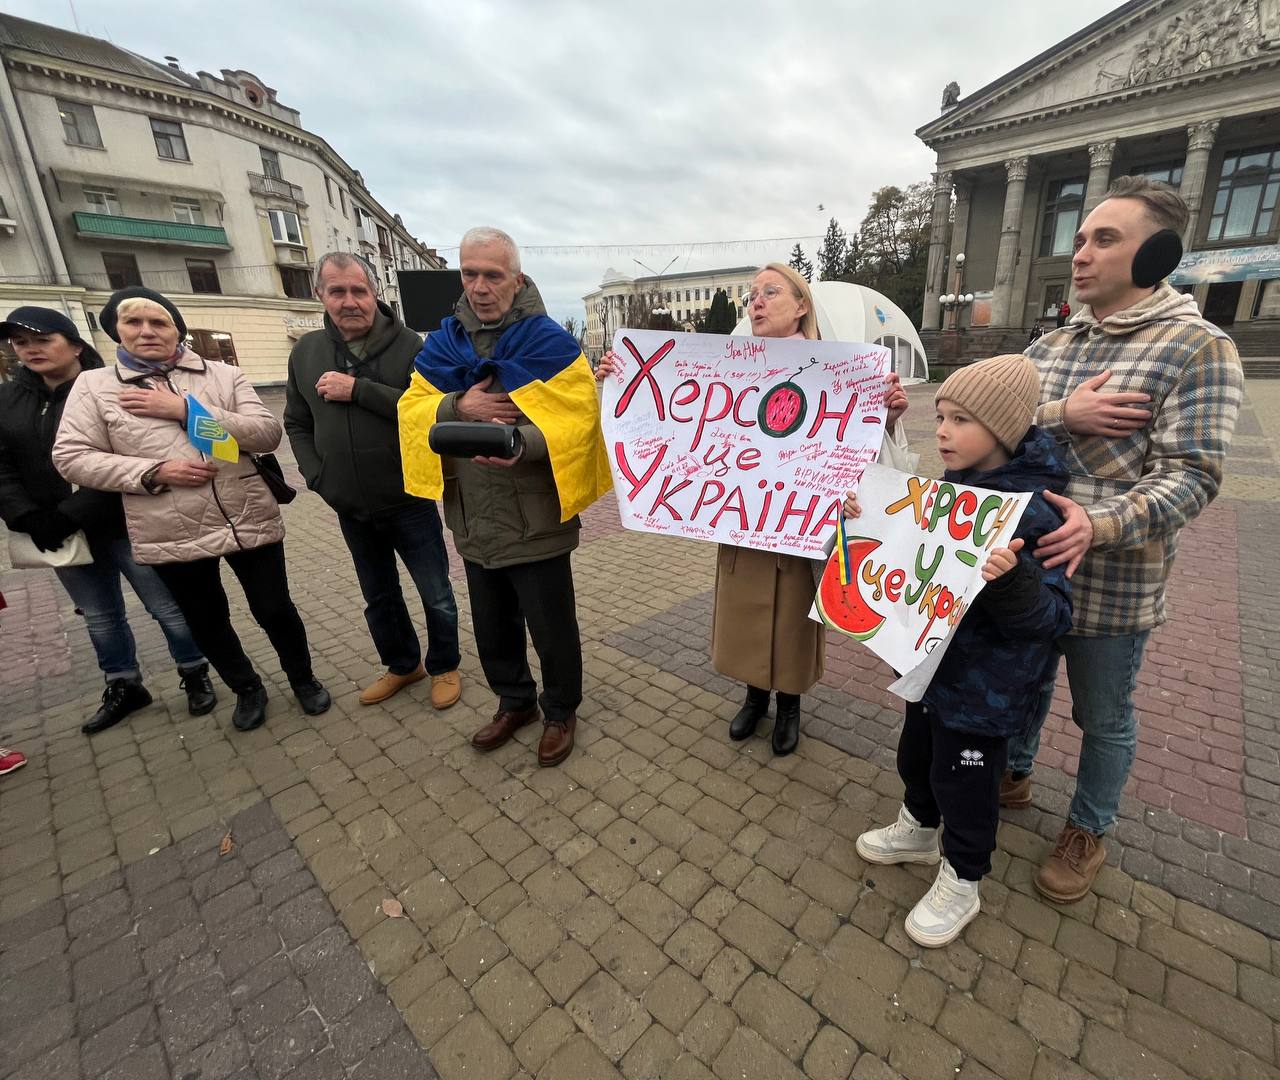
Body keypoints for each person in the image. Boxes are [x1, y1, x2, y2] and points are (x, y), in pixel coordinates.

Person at [1004, 176, 1243, 902]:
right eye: (1079, 238)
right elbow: (1002, 427)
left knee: (1102, 714)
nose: (1080, 254)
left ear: (1157, 254)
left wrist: (1098, 524)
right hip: (1026, 569)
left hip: (1114, 584)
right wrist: (1063, 412)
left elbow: (1193, 476)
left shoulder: (1198, 347)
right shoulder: (1051, 343)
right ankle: (1014, 770)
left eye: (1103, 239)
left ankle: (1088, 828)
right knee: (1024, 687)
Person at [596, 263, 911, 755]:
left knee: (791, 618)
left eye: (770, 291)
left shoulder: (839, 371)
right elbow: (675, 411)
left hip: (801, 523)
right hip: (745, 518)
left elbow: (867, 459)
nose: (756, 302)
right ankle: (753, 695)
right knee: (745, 611)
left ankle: (789, 704)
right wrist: (624, 378)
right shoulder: (733, 362)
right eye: (751, 295)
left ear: (801, 305)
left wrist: (884, 417)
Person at [853, 354, 1072, 946]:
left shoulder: (1039, 512)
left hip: (988, 689)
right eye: (941, 416)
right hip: (932, 673)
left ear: (1002, 431)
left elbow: (1053, 619)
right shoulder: (949, 492)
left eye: (961, 420)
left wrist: (1012, 581)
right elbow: (898, 565)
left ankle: (963, 874)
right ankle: (920, 828)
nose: (943, 431)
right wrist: (862, 526)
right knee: (918, 756)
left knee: (967, 783)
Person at [52, 287, 331, 733]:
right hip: (167, 521)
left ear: (177, 328)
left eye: (159, 322)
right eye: (133, 322)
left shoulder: (221, 374)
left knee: (274, 608)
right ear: (115, 331)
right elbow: (72, 457)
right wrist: (154, 471)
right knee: (206, 618)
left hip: (244, 512)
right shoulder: (95, 386)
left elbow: (263, 435)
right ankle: (246, 688)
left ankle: (304, 679)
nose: (147, 331)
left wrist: (185, 409)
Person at [398, 227, 611, 767]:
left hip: (535, 515)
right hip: (471, 517)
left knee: (551, 626)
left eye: (493, 275)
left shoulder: (551, 343)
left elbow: (581, 419)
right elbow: (411, 411)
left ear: (516, 279)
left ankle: (561, 710)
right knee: (492, 627)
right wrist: (457, 409)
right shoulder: (442, 344)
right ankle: (514, 702)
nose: (480, 286)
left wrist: (526, 444)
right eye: (470, 273)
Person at [0, 306, 214, 735]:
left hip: (124, 518)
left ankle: (195, 672)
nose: (31, 349)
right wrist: (25, 515)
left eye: (43, 339)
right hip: (52, 530)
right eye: (21, 342)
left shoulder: (110, 388)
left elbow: (125, 453)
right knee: (99, 615)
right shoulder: (7, 400)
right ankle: (123, 684)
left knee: (166, 606)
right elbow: (2, 467)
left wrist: (70, 512)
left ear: (75, 344)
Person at [284, 253, 461, 710]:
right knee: (378, 596)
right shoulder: (306, 352)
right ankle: (403, 665)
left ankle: (444, 666)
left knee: (436, 592)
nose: (349, 301)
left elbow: (430, 413)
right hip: (350, 505)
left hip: (408, 499)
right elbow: (296, 421)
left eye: (358, 290)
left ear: (375, 293)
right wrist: (316, 474)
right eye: (337, 291)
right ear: (319, 295)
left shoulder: (413, 348)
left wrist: (358, 390)